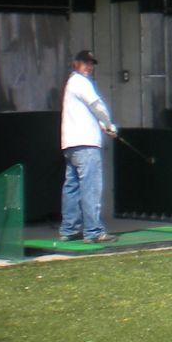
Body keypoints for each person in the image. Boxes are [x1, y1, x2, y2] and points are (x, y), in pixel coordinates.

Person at [60, 49, 117, 244]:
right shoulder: (81, 82)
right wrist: (109, 125)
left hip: (71, 144)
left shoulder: (71, 83)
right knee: (90, 187)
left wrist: (102, 126)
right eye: (86, 63)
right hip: (85, 145)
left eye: (91, 63)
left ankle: (69, 229)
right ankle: (93, 231)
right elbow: (97, 106)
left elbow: (87, 113)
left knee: (72, 187)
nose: (89, 67)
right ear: (76, 63)